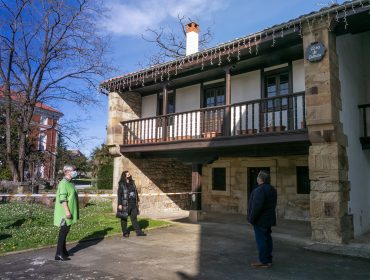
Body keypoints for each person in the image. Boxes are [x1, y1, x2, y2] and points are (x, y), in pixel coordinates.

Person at [247, 170, 277, 268]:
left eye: (258, 177)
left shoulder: (260, 190)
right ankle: (268, 260)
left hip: (260, 220)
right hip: (268, 219)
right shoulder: (272, 189)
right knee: (267, 239)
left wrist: (251, 219)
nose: (257, 178)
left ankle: (264, 261)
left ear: (260, 179)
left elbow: (256, 207)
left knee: (261, 240)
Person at [53, 165, 79, 261]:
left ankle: (63, 251)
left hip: (69, 211)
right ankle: (58, 254)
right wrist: (67, 211)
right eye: (73, 170)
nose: (75, 172)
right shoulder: (63, 183)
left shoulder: (70, 183)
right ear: (67, 172)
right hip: (64, 213)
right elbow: (63, 198)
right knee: (63, 232)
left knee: (65, 231)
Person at [117, 171, 146, 237]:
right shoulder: (121, 184)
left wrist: (137, 200)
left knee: (134, 218)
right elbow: (119, 194)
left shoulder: (132, 183)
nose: (129, 175)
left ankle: (138, 232)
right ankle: (125, 232)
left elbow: (136, 192)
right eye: (127, 174)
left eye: (129, 174)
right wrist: (120, 204)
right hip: (125, 203)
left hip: (133, 203)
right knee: (124, 218)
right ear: (124, 175)